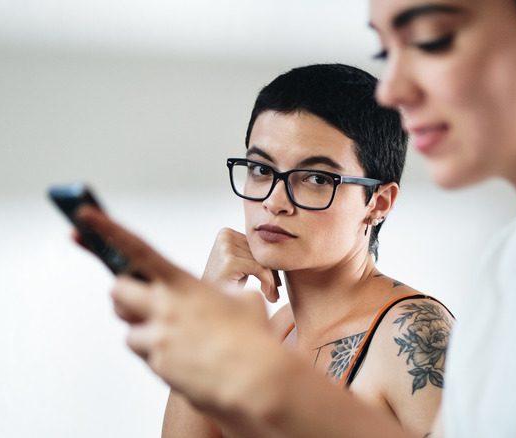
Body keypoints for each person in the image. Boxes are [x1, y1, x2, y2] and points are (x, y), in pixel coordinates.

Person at [75, 0, 516, 436]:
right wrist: (210, 361)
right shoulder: (509, 262)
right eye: (387, 47)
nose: (393, 87)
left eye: (433, 36)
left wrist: (256, 377)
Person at [158, 63, 453, 436]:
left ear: (378, 203)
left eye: (315, 178)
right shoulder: (279, 331)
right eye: (261, 170)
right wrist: (206, 309)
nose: (274, 201)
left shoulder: (411, 333)